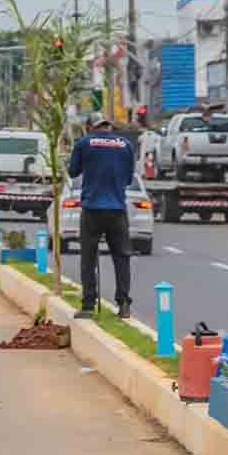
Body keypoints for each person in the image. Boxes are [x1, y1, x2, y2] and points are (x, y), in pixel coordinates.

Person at [69, 115, 136, 319]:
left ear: (91, 127)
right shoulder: (125, 144)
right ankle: (124, 304)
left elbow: (73, 172)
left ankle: (88, 305)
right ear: (110, 127)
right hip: (117, 208)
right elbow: (129, 177)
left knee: (88, 258)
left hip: (92, 208)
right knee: (121, 257)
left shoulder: (84, 143)